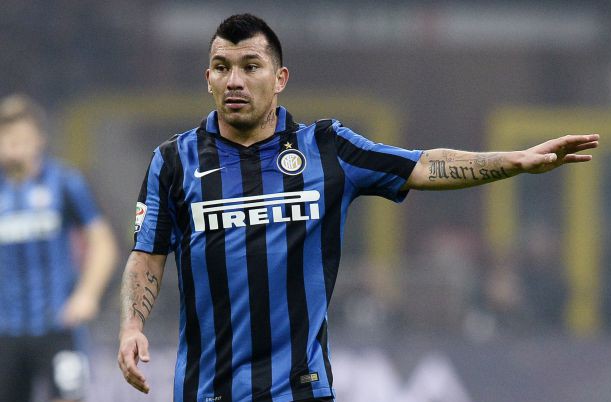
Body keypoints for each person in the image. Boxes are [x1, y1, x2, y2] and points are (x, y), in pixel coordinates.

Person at [117, 13, 599, 402]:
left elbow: (423, 165)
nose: (235, 80)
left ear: (280, 78)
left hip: (300, 389)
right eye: (222, 67)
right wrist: (132, 325)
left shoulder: (327, 149)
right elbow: (147, 254)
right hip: (207, 390)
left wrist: (514, 161)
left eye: (250, 66)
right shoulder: (173, 162)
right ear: (208, 78)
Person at [0, 94, 118, 402]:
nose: (14, 145)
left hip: (59, 326)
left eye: (22, 137)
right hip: (5, 332)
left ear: (39, 139)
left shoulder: (65, 183)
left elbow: (103, 243)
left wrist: (87, 295)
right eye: (7, 137)